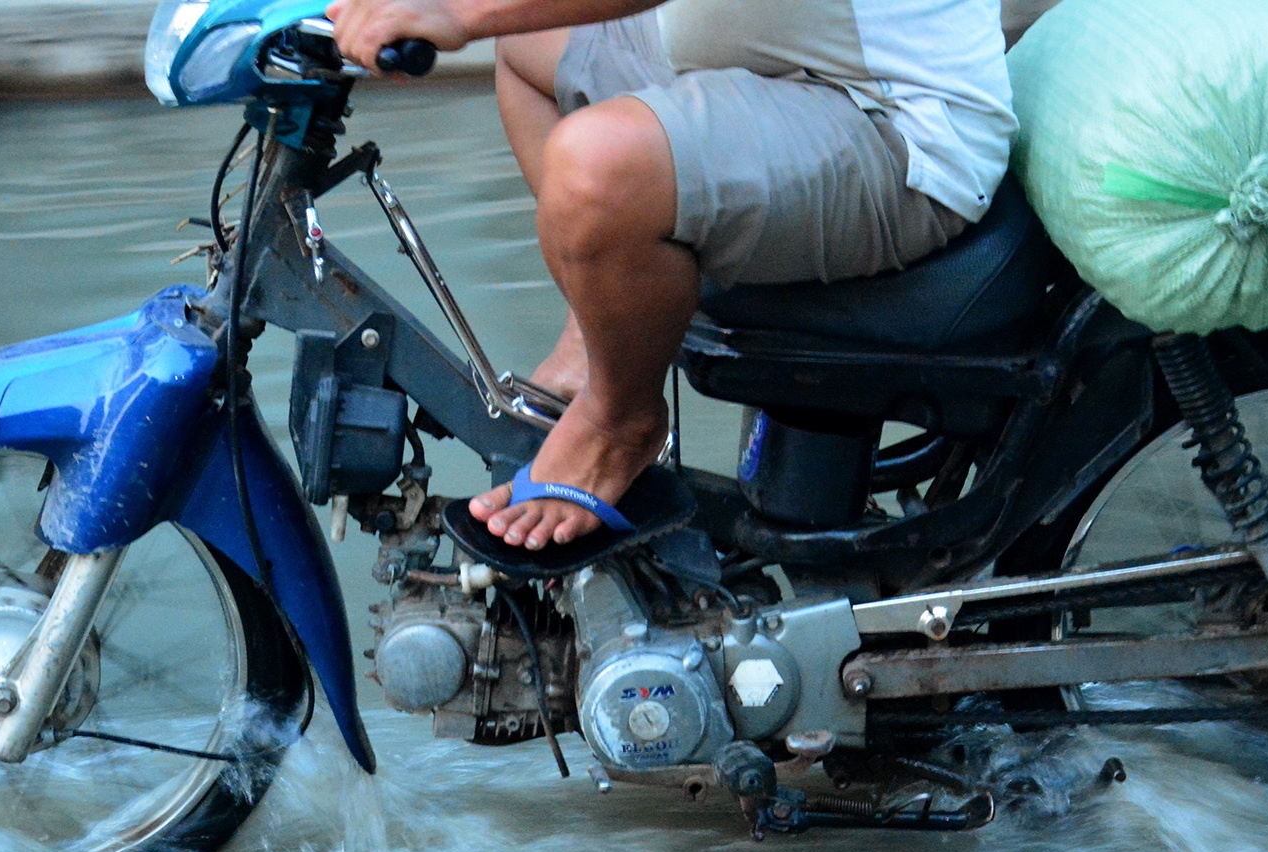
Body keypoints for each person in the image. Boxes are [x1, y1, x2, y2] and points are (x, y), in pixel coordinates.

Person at [326, 0, 1016, 554]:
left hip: (890, 126)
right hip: (768, 66)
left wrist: (458, 11)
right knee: (529, 53)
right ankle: (590, 332)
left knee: (594, 169)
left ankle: (620, 420)